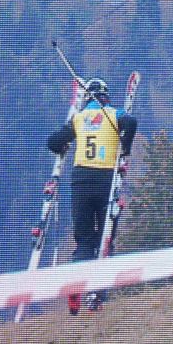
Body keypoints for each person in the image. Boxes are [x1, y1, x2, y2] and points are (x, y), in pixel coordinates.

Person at [47, 76, 138, 312]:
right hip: (106, 180)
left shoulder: (79, 118)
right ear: (106, 96)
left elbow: (53, 142)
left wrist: (64, 145)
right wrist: (125, 147)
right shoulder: (113, 114)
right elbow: (132, 121)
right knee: (105, 239)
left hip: (81, 182)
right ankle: (97, 295)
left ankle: (76, 285)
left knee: (84, 241)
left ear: (87, 98)